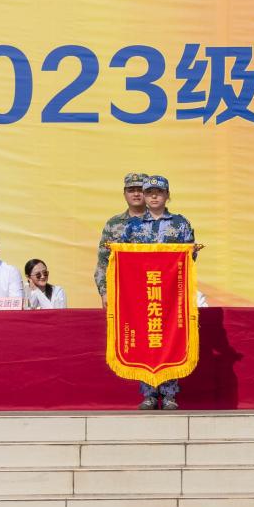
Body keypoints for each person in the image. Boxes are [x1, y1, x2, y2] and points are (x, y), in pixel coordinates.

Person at [119, 174, 198, 410]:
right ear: (144, 197)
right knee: (147, 339)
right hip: (144, 293)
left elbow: (189, 256)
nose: (154, 197)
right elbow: (124, 259)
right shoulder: (132, 227)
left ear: (167, 196)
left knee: (172, 339)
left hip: (172, 294)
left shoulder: (180, 223)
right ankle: (149, 393)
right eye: (150, 193)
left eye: (159, 193)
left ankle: (170, 393)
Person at [95, 173, 149, 305]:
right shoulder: (113, 224)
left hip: (154, 287)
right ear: (124, 194)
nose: (136, 194)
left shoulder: (161, 221)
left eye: (140, 190)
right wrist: (105, 292)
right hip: (122, 291)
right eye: (131, 190)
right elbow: (103, 262)